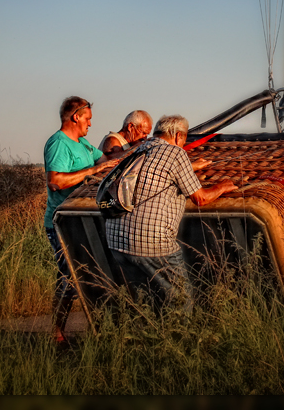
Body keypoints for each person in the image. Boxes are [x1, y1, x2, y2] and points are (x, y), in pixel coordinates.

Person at [103, 114, 237, 315]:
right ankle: (181, 339)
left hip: (116, 241)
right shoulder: (176, 154)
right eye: (183, 140)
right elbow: (200, 198)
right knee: (180, 299)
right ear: (177, 136)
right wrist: (222, 187)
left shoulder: (137, 150)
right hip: (151, 244)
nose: (183, 145)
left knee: (147, 301)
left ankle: (149, 339)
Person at [43, 96, 121, 348]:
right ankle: (57, 334)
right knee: (69, 277)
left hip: (86, 218)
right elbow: (56, 181)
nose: (90, 123)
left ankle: (98, 331)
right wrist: (91, 172)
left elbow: (104, 161)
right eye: (87, 118)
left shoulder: (84, 144)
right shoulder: (58, 144)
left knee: (96, 274)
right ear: (75, 117)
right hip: (63, 222)